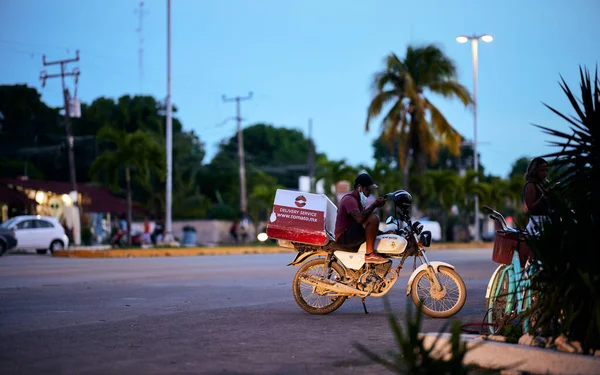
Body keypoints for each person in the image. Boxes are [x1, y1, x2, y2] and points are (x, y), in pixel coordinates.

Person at [334, 173, 387, 263]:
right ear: (359, 188)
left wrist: (384, 233)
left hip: (350, 233)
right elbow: (360, 219)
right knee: (373, 218)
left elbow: (365, 225)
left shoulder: (358, 201)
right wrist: (374, 205)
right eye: (367, 190)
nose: (369, 193)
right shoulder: (349, 200)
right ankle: (370, 254)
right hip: (343, 238)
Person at [523, 157, 553, 234]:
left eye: (546, 170)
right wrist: (543, 196)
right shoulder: (530, 185)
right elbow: (530, 207)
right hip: (536, 223)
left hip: (546, 222)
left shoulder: (542, 185)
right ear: (535, 171)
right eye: (542, 170)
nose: (545, 173)